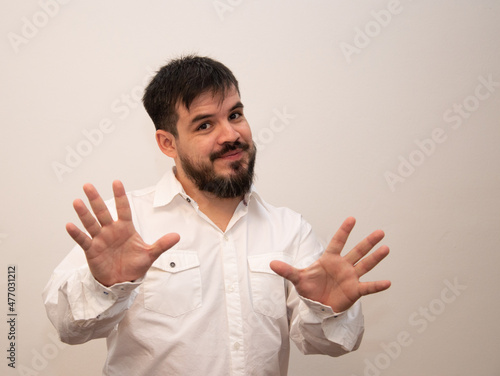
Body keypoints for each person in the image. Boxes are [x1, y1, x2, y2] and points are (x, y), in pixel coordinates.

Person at [43, 55, 391, 376]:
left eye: (235, 115)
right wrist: (104, 286)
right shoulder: (128, 225)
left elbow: (325, 343)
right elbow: (68, 327)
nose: (231, 135)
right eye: (205, 125)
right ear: (168, 144)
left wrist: (327, 309)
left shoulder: (289, 229)